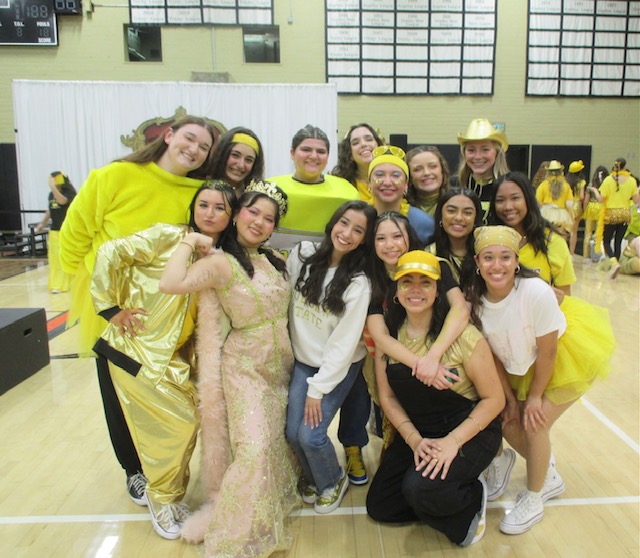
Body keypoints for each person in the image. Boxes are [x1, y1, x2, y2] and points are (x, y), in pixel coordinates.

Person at [59, 115, 217, 506]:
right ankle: (135, 471)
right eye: (188, 139)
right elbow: (75, 236)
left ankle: (167, 470)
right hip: (122, 313)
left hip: (174, 313)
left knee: (174, 398)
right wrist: (102, 301)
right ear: (168, 135)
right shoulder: (113, 177)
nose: (194, 150)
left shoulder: (199, 191)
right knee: (119, 396)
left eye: (203, 147)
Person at [160, 181, 299, 557]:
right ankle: (237, 531)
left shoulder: (273, 259)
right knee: (253, 447)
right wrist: (190, 242)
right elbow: (170, 283)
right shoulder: (221, 262)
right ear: (236, 214)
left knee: (272, 443)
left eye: (269, 218)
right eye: (253, 212)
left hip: (281, 364)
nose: (259, 222)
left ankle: (266, 499)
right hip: (245, 367)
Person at [90, 181, 236, 540]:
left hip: (174, 358)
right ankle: (162, 500)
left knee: (189, 418)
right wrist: (111, 309)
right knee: (180, 422)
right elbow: (110, 251)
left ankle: (165, 492)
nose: (210, 213)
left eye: (220, 208)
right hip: (134, 349)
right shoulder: (169, 236)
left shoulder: (222, 255)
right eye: (204, 205)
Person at [466, 226, 614, 535]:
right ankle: (546, 472)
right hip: (519, 364)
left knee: (535, 423)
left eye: (505, 257)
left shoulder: (535, 292)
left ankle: (535, 497)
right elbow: (492, 354)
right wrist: (507, 398)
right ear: (477, 262)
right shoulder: (474, 300)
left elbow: (549, 352)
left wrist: (534, 397)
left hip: (561, 359)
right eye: (489, 258)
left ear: (516, 261)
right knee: (507, 422)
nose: (497, 266)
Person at [366, 250, 504, 547]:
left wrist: (452, 442)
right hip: (421, 430)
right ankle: (440, 489)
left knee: (420, 489)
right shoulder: (391, 337)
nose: (415, 290)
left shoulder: (465, 336)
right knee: (381, 507)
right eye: (407, 282)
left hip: (469, 430)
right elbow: (388, 398)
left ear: (438, 290)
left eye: (425, 283)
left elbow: (494, 400)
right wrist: (415, 440)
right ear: (397, 290)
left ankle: (470, 500)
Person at [285, 200, 377, 514]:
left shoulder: (358, 283)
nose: (347, 233)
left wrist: (317, 389)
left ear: (365, 239)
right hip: (302, 361)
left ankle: (333, 480)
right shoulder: (303, 255)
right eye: (344, 223)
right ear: (333, 222)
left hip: (336, 367)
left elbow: (343, 346)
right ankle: (316, 477)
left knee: (310, 436)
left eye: (358, 230)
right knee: (292, 434)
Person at [366, 213, 470, 452]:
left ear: (409, 238)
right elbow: (380, 336)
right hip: (395, 361)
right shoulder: (374, 278)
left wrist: (433, 357)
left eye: (396, 236)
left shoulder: (434, 264)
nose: (389, 244)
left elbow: (460, 310)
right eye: (381, 238)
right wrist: (422, 365)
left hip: (442, 351)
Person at [268, 124, 359, 250]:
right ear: (292, 153)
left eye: (321, 151)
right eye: (306, 150)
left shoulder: (347, 192)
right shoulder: (270, 189)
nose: (314, 156)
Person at [488, 172, 576, 297]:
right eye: (500, 200)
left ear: (528, 199)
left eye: (515, 198)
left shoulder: (552, 242)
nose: (508, 206)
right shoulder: (487, 241)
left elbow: (565, 294)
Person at [368, 145, 435, 245]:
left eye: (395, 175)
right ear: (369, 183)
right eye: (379, 175)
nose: (387, 182)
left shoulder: (423, 223)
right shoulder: (359, 219)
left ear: (406, 185)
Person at [589, 158, 640, 278]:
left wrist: (595, 191)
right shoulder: (632, 181)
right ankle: (615, 264)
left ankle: (613, 263)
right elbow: (636, 201)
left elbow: (601, 199)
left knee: (606, 241)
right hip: (625, 214)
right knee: (618, 241)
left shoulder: (608, 180)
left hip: (611, 215)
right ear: (625, 166)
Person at [454, 118, 510, 222]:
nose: (478, 156)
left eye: (485, 149)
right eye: (471, 150)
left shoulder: (510, 187)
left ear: (497, 153)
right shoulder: (454, 185)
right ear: (464, 153)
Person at [427, 187, 482, 284]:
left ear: (475, 220)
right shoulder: (429, 254)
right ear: (440, 216)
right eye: (451, 211)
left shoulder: (485, 253)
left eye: (467, 213)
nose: (459, 218)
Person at [34, 171, 77, 293]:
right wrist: (42, 223)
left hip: (67, 231)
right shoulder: (51, 195)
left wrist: (53, 188)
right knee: (55, 259)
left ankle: (71, 283)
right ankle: (58, 284)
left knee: (67, 258)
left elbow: (62, 201)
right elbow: (50, 209)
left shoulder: (69, 193)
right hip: (54, 231)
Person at [331, 123, 384, 202]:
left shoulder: (394, 177)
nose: (363, 144)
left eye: (368, 139)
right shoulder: (339, 185)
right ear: (350, 155)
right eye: (356, 143)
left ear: (379, 146)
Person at [208, 126, 264, 196]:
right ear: (222, 154)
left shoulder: (257, 198)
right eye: (235, 155)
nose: (241, 165)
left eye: (248, 160)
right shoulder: (204, 187)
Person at [406, 145, 451, 216]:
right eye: (418, 169)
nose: (426, 173)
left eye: (433, 166)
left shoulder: (456, 202)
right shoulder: (400, 207)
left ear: (442, 171)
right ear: (410, 177)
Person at [535, 160, 574, 237]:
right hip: (561, 215)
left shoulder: (543, 185)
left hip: (546, 213)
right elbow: (569, 203)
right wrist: (571, 216)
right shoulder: (566, 186)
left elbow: (537, 201)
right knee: (560, 237)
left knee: (546, 237)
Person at [582, 165, 608, 261]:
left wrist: (584, 211)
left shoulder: (590, 185)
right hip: (601, 209)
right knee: (599, 233)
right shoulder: (607, 185)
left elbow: (586, 201)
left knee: (588, 233)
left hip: (591, 208)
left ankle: (585, 257)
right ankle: (599, 255)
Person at [566, 160, 587, 257]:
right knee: (574, 232)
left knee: (564, 229)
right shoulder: (582, 182)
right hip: (577, 206)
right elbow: (582, 196)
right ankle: (571, 253)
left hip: (567, 205)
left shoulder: (566, 181)